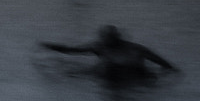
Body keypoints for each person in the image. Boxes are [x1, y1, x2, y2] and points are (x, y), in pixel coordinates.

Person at [43, 25, 178, 75]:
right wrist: (51, 46)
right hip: (108, 76)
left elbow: (165, 64)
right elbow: (71, 50)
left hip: (134, 77)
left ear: (117, 37)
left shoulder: (137, 49)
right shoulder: (99, 46)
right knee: (73, 73)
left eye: (109, 38)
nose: (105, 40)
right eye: (104, 38)